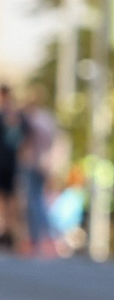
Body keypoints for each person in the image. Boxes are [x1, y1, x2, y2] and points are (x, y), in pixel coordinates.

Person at [16, 92, 56, 257]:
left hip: (34, 164)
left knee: (35, 202)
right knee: (36, 201)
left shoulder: (34, 121)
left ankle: (43, 238)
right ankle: (40, 239)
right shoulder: (46, 119)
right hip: (40, 163)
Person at [0, 84, 22, 250]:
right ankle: (6, 232)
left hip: (10, 163)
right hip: (8, 162)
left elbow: (23, 140)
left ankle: (10, 234)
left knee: (10, 200)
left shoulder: (14, 115)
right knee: (5, 200)